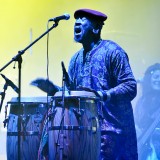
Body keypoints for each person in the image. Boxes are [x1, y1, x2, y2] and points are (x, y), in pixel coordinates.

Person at [32, 8, 138, 160]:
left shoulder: (113, 52)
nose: (77, 22)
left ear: (96, 28)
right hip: (86, 134)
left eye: (83, 19)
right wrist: (54, 89)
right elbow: (73, 94)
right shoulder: (75, 60)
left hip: (113, 133)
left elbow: (130, 86)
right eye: (76, 19)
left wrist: (103, 95)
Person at [134, 63, 160, 160]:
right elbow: (137, 122)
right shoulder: (142, 102)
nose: (159, 80)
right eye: (156, 77)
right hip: (144, 150)